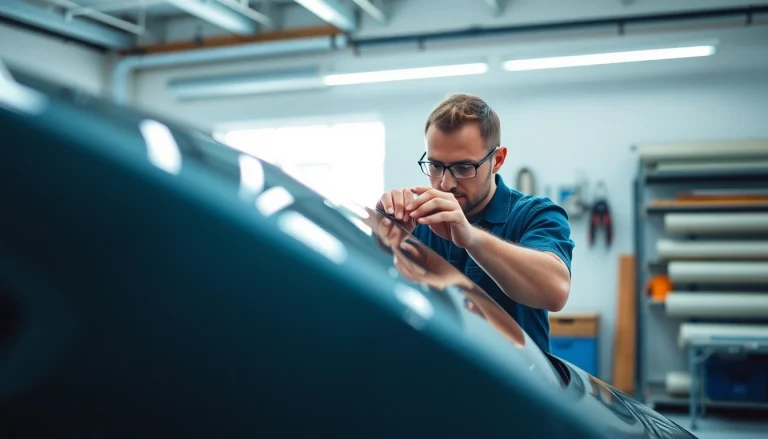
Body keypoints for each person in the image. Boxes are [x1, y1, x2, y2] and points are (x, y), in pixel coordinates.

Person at [376, 93, 574, 353]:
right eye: (435, 166)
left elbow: (555, 290)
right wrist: (388, 246)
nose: (445, 183)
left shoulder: (534, 214)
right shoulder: (419, 221)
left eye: (464, 167)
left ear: (498, 160)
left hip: (515, 388)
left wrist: (470, 237)